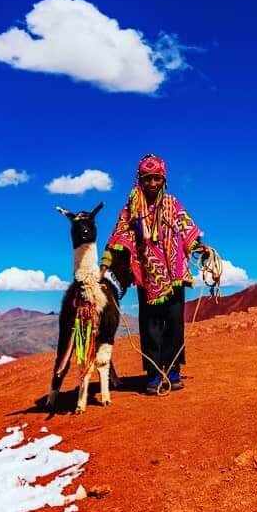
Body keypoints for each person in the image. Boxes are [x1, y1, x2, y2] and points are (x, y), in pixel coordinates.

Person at [100, 153, 207, 395]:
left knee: (174, 323)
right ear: (140, 179)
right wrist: (107, 261)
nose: (152, 184)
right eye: (147, 178)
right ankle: (153, 374)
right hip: (147, 277)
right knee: (151, 325)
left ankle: (172, 371)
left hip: (175, 273)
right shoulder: (132, 208)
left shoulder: (173, 204)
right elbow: (119, 236)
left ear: (164, 179)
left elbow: (187, 229)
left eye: (157, 178)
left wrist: (202, 249)